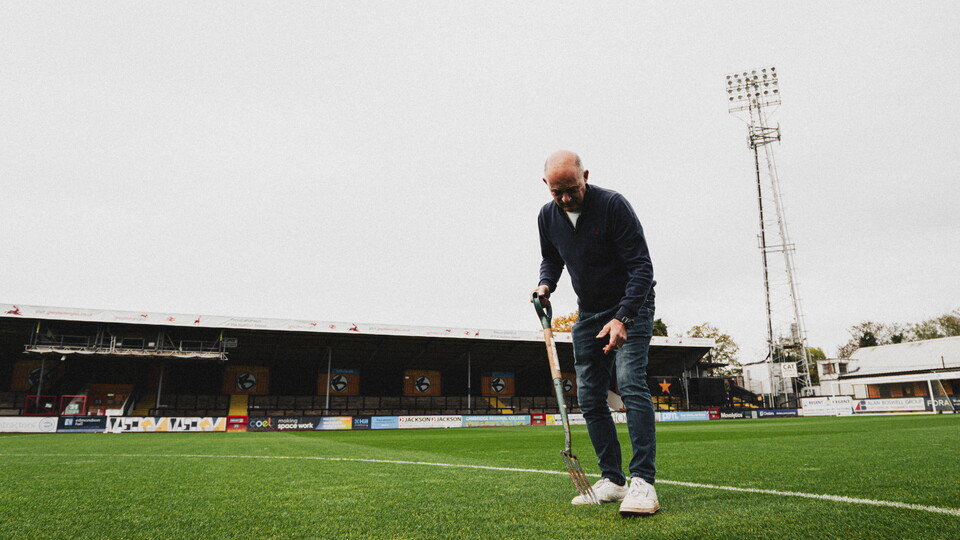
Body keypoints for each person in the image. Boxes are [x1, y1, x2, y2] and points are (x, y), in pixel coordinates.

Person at [532, 150, 659, 516]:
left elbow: (642, 267)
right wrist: (545, 285)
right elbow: (551, 258)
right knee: (589, 397)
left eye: (572, 188)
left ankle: (643, 483)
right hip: (588, 313)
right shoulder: (547, 216)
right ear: (547, 187)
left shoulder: (613, 206)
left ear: (585, 175)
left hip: (631, 305)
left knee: (630, 381)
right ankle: (614, 480)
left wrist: (623, 318)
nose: (566, 198)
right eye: (558, 192)